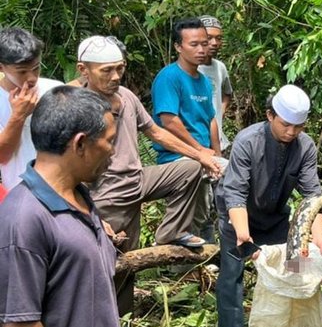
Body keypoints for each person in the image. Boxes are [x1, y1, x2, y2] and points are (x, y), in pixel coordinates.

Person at [75, 35, 220, 314]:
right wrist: (89, 210)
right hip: (106, 193)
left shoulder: (127, 96)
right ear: (84, 70)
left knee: (189, 168)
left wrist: (200, 154)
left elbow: (156, 132)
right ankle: (113, 317)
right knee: (117, 263)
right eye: (107, 70)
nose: (115, 76)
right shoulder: (77, 105)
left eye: (120, 68)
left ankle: (172, 232)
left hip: (137, 179)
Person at [0, 86, 119, 327]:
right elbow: (20, 323)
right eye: (110, 141)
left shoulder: (79, 196)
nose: (113, 151)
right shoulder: (25, 217)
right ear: (80, 144)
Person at [215, 85, 322, 327]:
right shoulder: (247, 141)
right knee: (232, 276)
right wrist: (243, 235)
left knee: (294, 269)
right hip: (238, 217)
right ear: (270, 115)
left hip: (275, 218)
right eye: (285, 125)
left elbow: (312, 195)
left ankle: (288, 321)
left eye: (298, 127)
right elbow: (235, 192)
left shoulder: (305, 146)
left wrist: (319, 236)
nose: (291, 132)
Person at [152, 18, 220, 239]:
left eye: (204, 43)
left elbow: (210, 119)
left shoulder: (203, 81)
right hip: (178, 158)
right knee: (191, 217)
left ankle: (212, 254)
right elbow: (168, 120)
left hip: (204, 156)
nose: (201, 49)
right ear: (178, 47)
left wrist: (216, 154)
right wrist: (199, 151)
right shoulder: (169, 77)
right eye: (194, 44)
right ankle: (179, 258)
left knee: (207, 212)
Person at [0, 27, 63, 190]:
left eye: (36, 68)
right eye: (22, 72)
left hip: (61, 187)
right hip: (20, 191)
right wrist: (18, 116)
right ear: (1, 68)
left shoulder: (54, 90)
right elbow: (2, 156)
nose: (32, 78)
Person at [198, 15, 233, 153]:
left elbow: (227, 93)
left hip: (219, 142)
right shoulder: (190, 69)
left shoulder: (220, 67)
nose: (214, 43)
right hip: (198, 144)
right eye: (209, 37)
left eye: (218, 38)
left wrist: (220, 111)